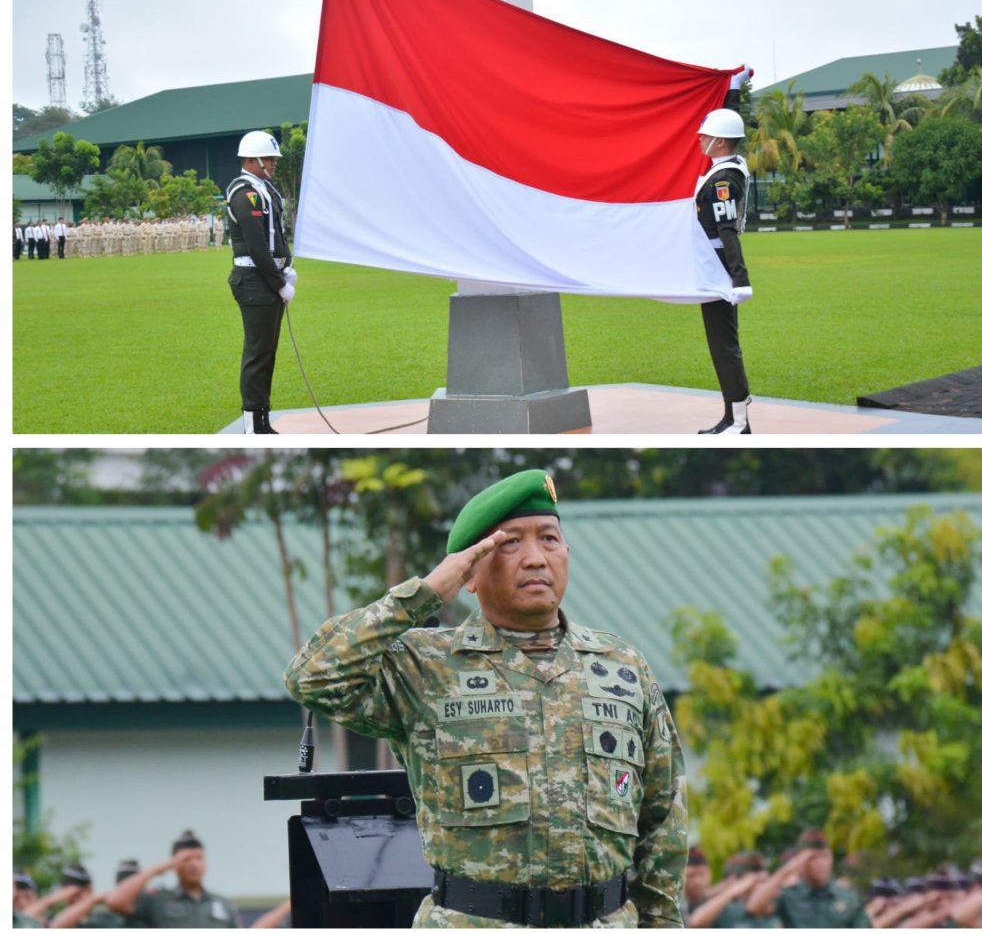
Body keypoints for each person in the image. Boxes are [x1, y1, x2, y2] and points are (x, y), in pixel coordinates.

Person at [285, 469, 688, 928]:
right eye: (510, 543)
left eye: (549, 539)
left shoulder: (622, 667)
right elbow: (310, 677)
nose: (535, 558)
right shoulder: (426, 666)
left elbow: (663, 820)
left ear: (567, 553)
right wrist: (422, 595)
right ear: (469, 572)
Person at [695, 66, 754, 435]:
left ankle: (740, 422)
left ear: (719, 142)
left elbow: (728, 230)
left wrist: (739, 278)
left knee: (723, 345)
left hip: (718, 264)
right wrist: (733, 89)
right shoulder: (729, 164)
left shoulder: (724, 180)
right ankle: (733, 418)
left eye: (706, 135)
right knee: (720, 343)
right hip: (713, 262)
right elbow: (730, 123)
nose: (700, 138)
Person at [225, 130, 296, 434]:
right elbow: (256, 246)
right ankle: (253, 425)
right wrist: (280, 283)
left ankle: (262, 419)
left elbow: (277, 235)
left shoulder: (265, 190)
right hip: (255, 280)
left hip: (265, 277)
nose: (274, 163)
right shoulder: (246, 194)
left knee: (267, 352)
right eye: (269, 158)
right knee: (257, 354)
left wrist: (286, 267)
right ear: (253, 160)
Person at [105, 829, 240, 928]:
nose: (194, 865)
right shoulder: (159, 900)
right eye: (186, 859)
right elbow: (116, 902)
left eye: (199, 858)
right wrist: (159, 868)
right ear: (175, 864)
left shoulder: (223, 905)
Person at [744, 829, 869, 927]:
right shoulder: (789, 896)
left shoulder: (848, 898)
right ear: (801, 862)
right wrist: (788, 869)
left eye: (825, 856)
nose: (821, 863)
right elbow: (754, 907)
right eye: (813, 858)